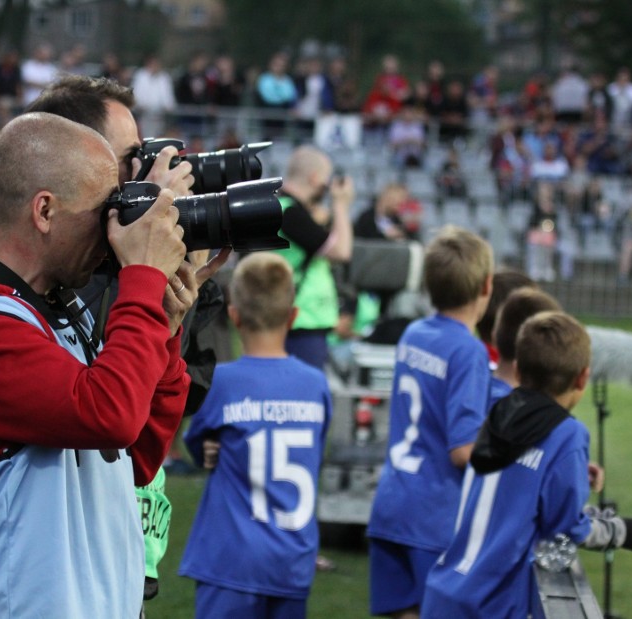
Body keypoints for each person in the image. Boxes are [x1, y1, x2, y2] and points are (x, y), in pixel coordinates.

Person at [0, 112, 194, 617]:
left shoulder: (55, 316)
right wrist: (140, 277)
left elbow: (133, 459)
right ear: (44, 210)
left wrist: (164, 326)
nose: (113, 230)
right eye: (102, 211)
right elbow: (108, 414)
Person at [25, 73, 230, 606]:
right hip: (51, 580)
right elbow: (110, 414)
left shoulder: (115, 268)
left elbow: (139, 451)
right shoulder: (11, 298)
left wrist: (171, 311)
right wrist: (140, 264)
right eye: (132, 159)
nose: (142, 175)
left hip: (123, 549)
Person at [423, 311, 632, 618]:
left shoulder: (497, 409)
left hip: (444, 590)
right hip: (491, 603)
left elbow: (522, 486)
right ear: (584, 377)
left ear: (517, 371)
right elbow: (566, 526)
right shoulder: (567, 434)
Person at [178, 252, 332, 618]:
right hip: (292, 559)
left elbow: (197, 444)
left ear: (234, 316)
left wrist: (211, 449)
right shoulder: (316, 385)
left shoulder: (225, 382)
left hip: (232, 559)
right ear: (293, 316)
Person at [367, 225, 494, 618]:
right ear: (486, 286)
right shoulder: (468, 351)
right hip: (433, 516)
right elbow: (462, 451)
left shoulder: (414, 333)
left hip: (391, 502)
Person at [272, 144, 354, 371]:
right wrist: (341, 205)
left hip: (292, 318)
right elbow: (342, 251)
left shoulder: (281, 207)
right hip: (300, 322)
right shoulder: (289, 212)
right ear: (315, 177)